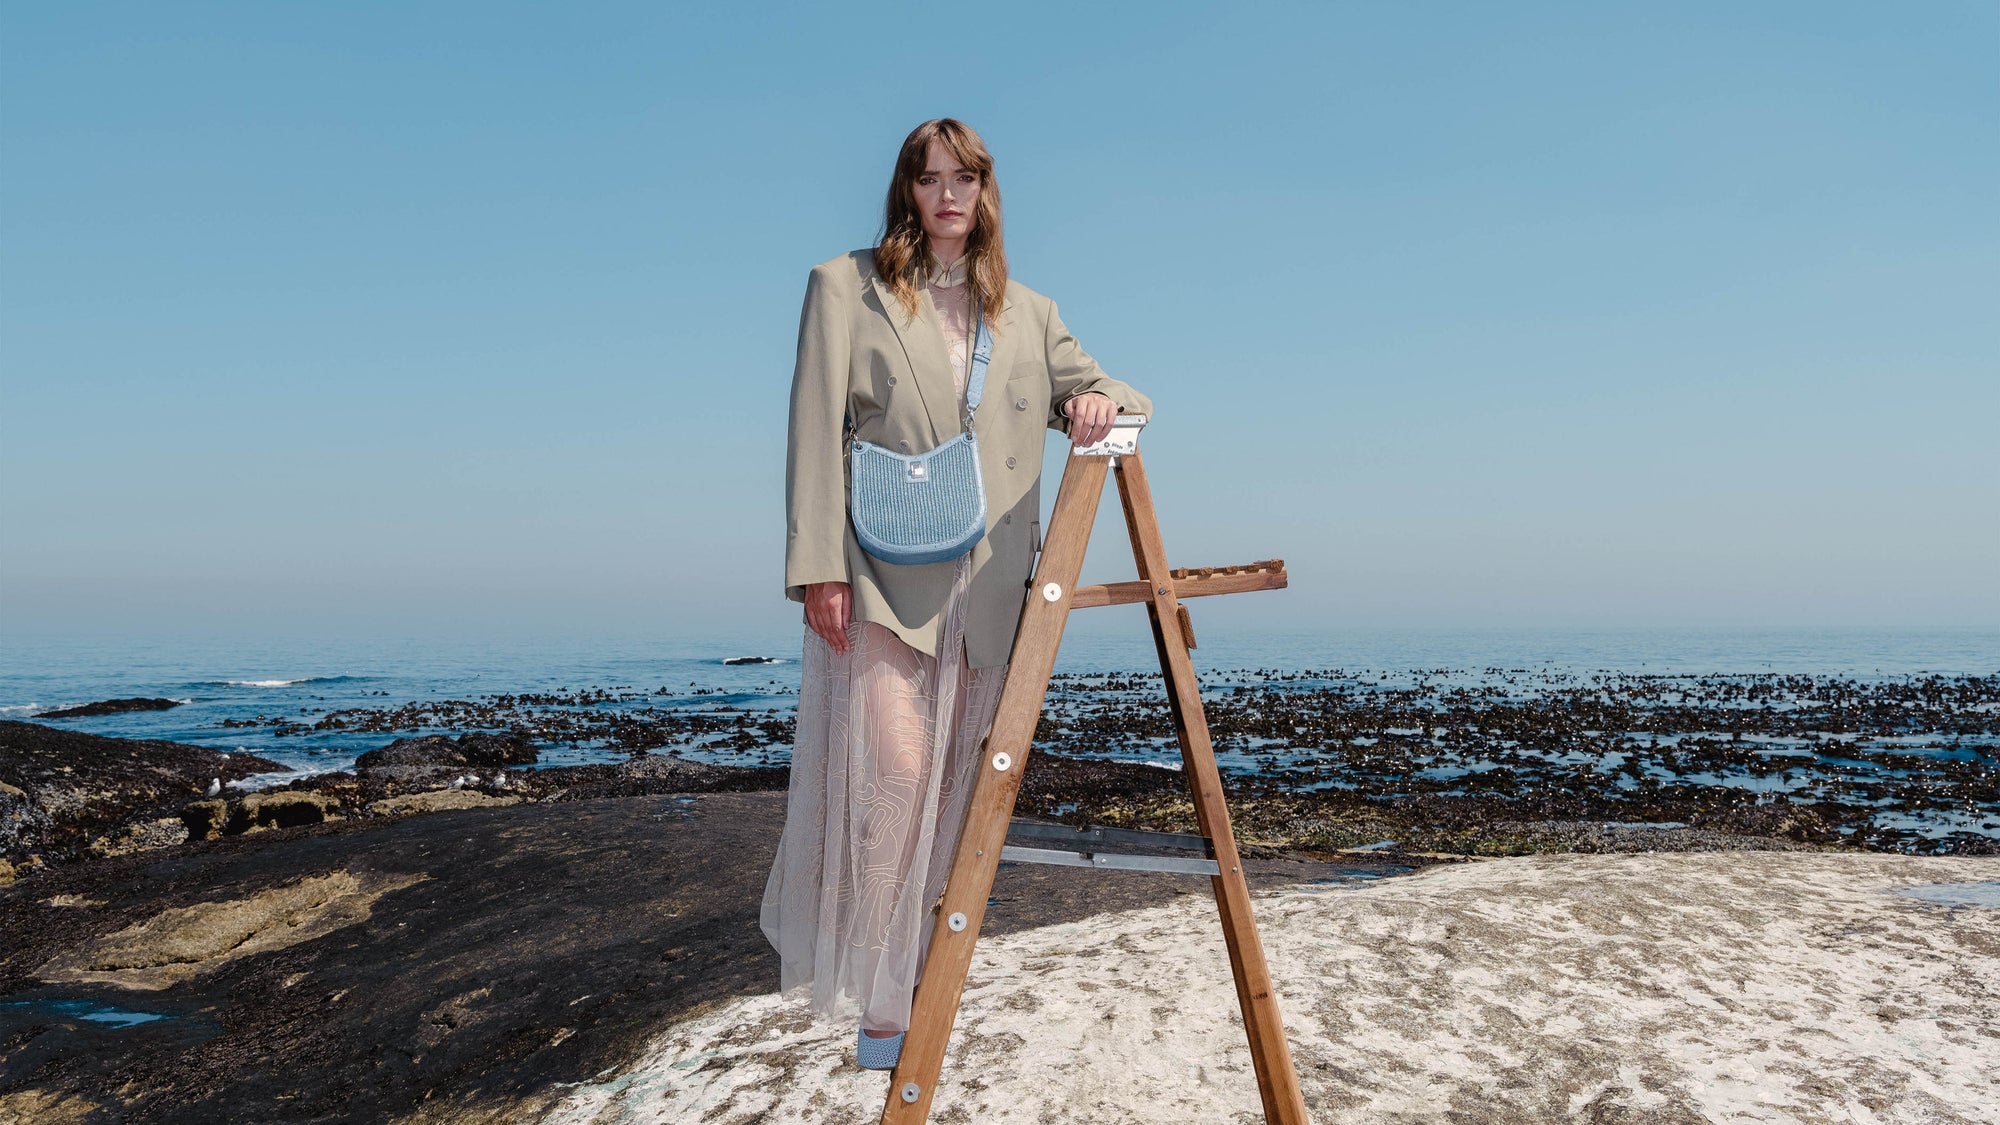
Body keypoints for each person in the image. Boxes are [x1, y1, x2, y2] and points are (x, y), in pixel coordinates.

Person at [759, 117, 1151, 1070]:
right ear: (908, 189)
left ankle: (906, 966)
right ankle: (882, 996)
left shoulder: (1030, 313)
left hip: (991, 591)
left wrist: (1094, 402)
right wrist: (817, 569)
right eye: (930, 178)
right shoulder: (844, 286)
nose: (948, 196)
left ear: (985, 192)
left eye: (964, 179)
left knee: (949, 793)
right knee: (896, 773)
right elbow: (813, 430)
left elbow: (1125, 398)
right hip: (881, 576)